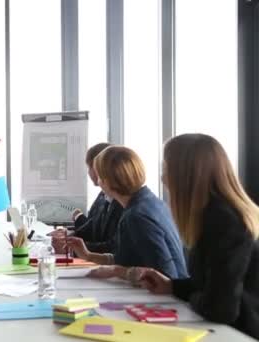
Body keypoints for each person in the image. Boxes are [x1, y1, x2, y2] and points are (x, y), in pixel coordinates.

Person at [138, 134, 259, 339]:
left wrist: (193, 298)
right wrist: (172, 286)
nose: (163, 178)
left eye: (167, 168)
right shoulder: (214, 213)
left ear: (186, 174)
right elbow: (213, 284)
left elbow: (221, 309)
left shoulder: (223, 220)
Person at [61, 146, 188, 279]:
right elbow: (126, 258)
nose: (98, 182)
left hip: (165, 298)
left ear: (107, 181)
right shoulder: (149, 201)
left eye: (99, 177)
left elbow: (165, 275)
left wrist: (117, 271)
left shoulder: (137, 216)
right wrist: (88, 255)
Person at [55, 143, 123, 254]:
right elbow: (93, 228)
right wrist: (68, 236)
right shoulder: (104, 195)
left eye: (89, 167)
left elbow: (114, 247)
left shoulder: (122, 202)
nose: (89, 173)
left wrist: (71, 248)